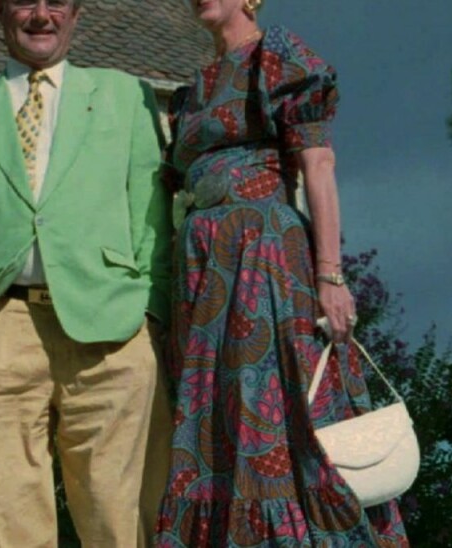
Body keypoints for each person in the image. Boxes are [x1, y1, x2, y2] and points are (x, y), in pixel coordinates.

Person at [0, 0, 173, 545]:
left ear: (76, 14)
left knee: (120, 512)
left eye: (56, 2)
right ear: (2, 13)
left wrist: (151, 309)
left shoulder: (125, 97)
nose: (40, 15)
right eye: (25, 2)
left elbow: (153, 214)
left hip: (112, 324)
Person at [153, 0, 410, 545]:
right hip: (202, 277)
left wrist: (331, 277)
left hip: (263, 263)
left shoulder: (279, 56)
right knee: (215, 418)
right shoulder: (192, 89)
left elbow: (318, 164)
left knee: (269, 405)